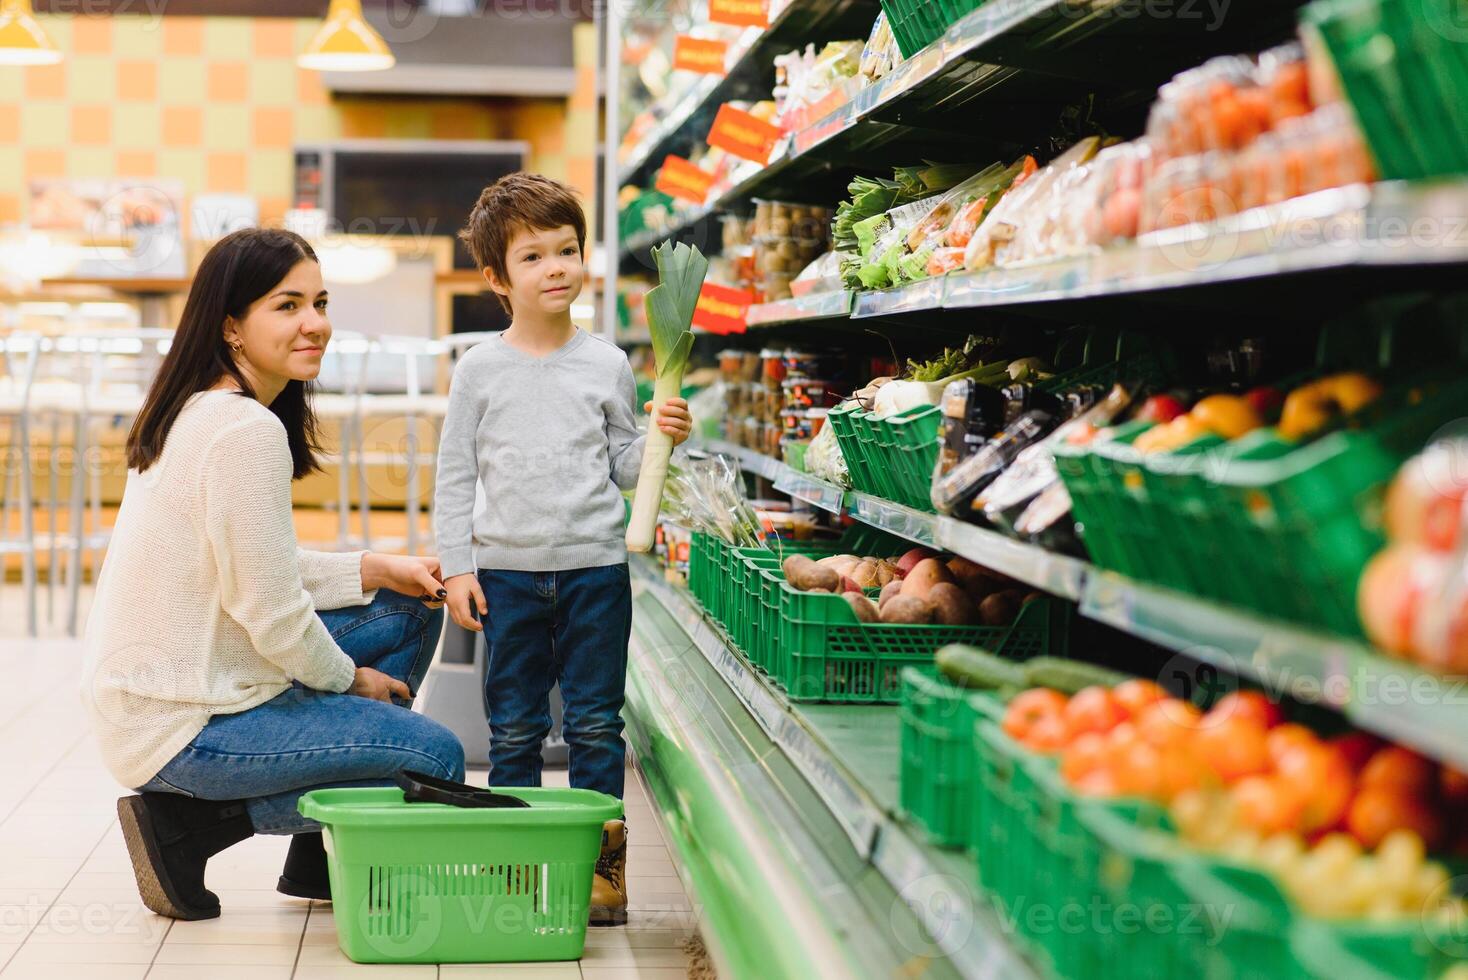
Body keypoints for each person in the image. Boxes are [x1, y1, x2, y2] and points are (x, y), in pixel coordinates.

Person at [83, 227, 466, 922]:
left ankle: (318, 855)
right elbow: (269, 609)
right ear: (232, 326)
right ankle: (191, 826)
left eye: (319, 302)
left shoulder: (196, 410)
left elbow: (259, 566)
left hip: (155, 696)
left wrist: (378, 567)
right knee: (434, 759)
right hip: (186, 723)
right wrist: (353, 682)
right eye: (287, 306)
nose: (314, 323)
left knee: (408, 604)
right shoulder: (243, 432)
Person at [435, 173, 693, 926]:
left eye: (568, 250)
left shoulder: (608, 363)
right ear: (496, 278)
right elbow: (454, 474)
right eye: (533, 257)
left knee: (594, 726)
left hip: (594, 573)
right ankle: (517, 868)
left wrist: (661, 439)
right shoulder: (480, 371)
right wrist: (455, 566)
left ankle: (599, 873)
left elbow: (621, 465)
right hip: (507, 574)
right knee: (512, 728)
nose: (556, 268)